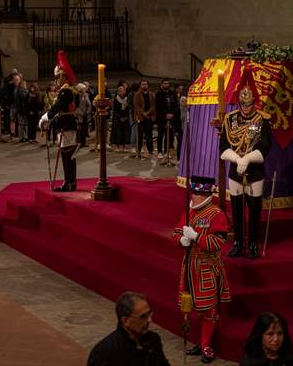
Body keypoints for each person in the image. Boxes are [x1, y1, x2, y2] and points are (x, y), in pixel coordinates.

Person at [172, 176, 231, 363]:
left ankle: (207, 346)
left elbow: (219, 242)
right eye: (193, 192)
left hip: (206, 267)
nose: (194, 196)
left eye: (197, 193)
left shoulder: (216, 214)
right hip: (189, 266)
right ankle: (201, 341)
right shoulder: (188, 211)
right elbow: (176, 231)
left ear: (206, 194)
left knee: (208, 309)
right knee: (192, 307)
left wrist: (196, 237)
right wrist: (181, 239)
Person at [220, 85, 272, 259]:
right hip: (236, 168)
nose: (246, 108)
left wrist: (248, 159)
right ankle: (238, 243)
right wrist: (238, 159)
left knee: (255, 208)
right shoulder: (230, 119)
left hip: (255, 170)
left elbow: (265, 146)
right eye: (243, 104)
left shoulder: (262, 120)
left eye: (249, 104)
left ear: (254, 103)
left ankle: (253, 243)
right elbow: (224, 146)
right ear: (239, 103)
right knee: (237, 208)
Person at [87, 291, 170, 366]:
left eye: (149, 314)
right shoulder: (104, 353)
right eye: (143, 317)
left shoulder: (153, 340)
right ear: (126, 321)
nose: (149, 320)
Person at [40, 50, 79, 192]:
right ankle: (70, 182)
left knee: (67, 156)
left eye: (58, 77)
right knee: (68, 156)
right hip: (67, 125)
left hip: (66, 126)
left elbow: (56, 108)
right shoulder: (69, 90)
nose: (56, 80)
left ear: (64, 76)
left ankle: (69, 183)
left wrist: (44, 118)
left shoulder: (65, 91)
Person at [133, 80, 156, 159]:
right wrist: (143, 113)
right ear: (140, 85)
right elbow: (136, 106)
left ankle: (150, 151)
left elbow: (153, 105)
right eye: (143, 84)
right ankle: (138, 151)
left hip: (149, 117)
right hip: (140, 117)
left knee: (149, 135)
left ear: (148, 85)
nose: (144, 85)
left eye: (146, 84)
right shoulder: (137, 95)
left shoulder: (152, 94)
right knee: (140, 135)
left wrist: (148, 112)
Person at [155, 79, 177, 159]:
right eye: (165, 83)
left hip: (171, 117)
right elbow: (157, 106)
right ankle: (160, 151)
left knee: (169, 135)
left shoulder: (172, 93)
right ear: (162, 84)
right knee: (160, 135)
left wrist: (172, 114)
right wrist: (165, 114)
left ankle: (166, 151)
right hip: (161, 118)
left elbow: (175, 104)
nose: (166, 84)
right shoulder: (159, 93)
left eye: (167, 83)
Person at [110, 85, 131, 152]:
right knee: (118, 132)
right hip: (117, 118)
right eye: (120, 91)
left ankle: (124, 145)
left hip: (126, 117)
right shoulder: (116, 99)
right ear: (118, 92)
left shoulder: (127, 99)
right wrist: (120, 117)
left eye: (123, 90)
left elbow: (128, 109)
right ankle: (118, 145)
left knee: (125, 132)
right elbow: (115, 110)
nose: (121, 92)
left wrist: (126, 117)